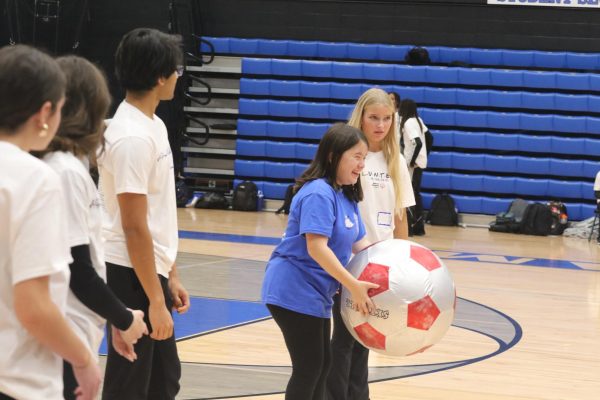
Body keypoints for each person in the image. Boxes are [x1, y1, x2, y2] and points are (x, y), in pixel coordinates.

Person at [37, 55, 149, 399]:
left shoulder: (68, 167)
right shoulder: (66, 172)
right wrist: (124, 318)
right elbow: (77, 268)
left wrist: (112, 317)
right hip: (61, 335)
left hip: (72, 329)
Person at [0, 44, 101, 400]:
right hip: (16, 378)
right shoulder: (35, 178)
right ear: (45, 112)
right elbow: (34, 307)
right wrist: (83, 358)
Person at [97, 28, 190, 400]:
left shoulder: (154, 125)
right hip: (128, 272)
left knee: (163, 380)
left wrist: (171, 274)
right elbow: (134, 226)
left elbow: (157, 211)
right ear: (158, 77)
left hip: (151, 270)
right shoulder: (131, 139)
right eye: (175, 69)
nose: (178, 76)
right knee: (129, 383)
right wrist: (154, 299)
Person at [261, 123, 379, 400]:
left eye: (365, 158)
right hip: (292, 290)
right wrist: (352, 284)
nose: (362, 165)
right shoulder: (318, 193)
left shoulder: (345, 194)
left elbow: (362, 245)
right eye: (356, 156)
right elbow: (317, 248)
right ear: (332, 156)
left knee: (322, 366)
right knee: (309, 368)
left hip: (316, 294)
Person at [327, 88, 416, 400]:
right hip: (350, 261)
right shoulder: (350, 155)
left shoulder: (397, 161)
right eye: (374, 117)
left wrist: (403, 264)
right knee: (344, 338)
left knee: (367, 337)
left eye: (387, 118)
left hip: (383, 266)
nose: (381, 125)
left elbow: (400, 217)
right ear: (361, 118)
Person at [399, 98, 429, 236]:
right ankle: (418, 228)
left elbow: (418, 143)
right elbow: (429, 138)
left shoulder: (409, 123)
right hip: (419, 163)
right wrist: (423, 156)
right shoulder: (418, 120)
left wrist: (411, 161)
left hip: (413, 165)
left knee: (410, 195)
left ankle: (410, 228)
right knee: (415, 195)